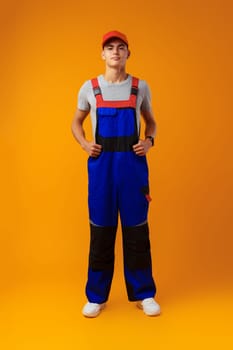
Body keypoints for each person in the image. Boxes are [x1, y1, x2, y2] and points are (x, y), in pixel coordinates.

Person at [71, 30, 161, 318]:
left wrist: (149, 142)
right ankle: (96, 296)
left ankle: (144, 294)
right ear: (102, 54)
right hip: (102, 170)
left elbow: (152, 123)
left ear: (127, 54)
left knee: (137, 231)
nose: (115, 52)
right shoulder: (89, 87)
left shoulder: (140, 87)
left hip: (133, 169)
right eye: (110, 48)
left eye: (121, 47)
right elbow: (75, 122)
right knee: (101, 231)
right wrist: (85, 143)